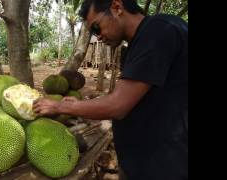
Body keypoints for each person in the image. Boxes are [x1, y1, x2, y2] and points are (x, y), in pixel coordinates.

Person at [33, 0, 188, 179]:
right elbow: (131, 97)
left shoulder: (159, 30)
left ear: (116, 7)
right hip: (143, 161)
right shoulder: (139, 43)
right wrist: (82, 104)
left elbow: (118, 105)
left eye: (96, 28)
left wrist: (59, 107)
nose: (98, 37)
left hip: (164, 166)